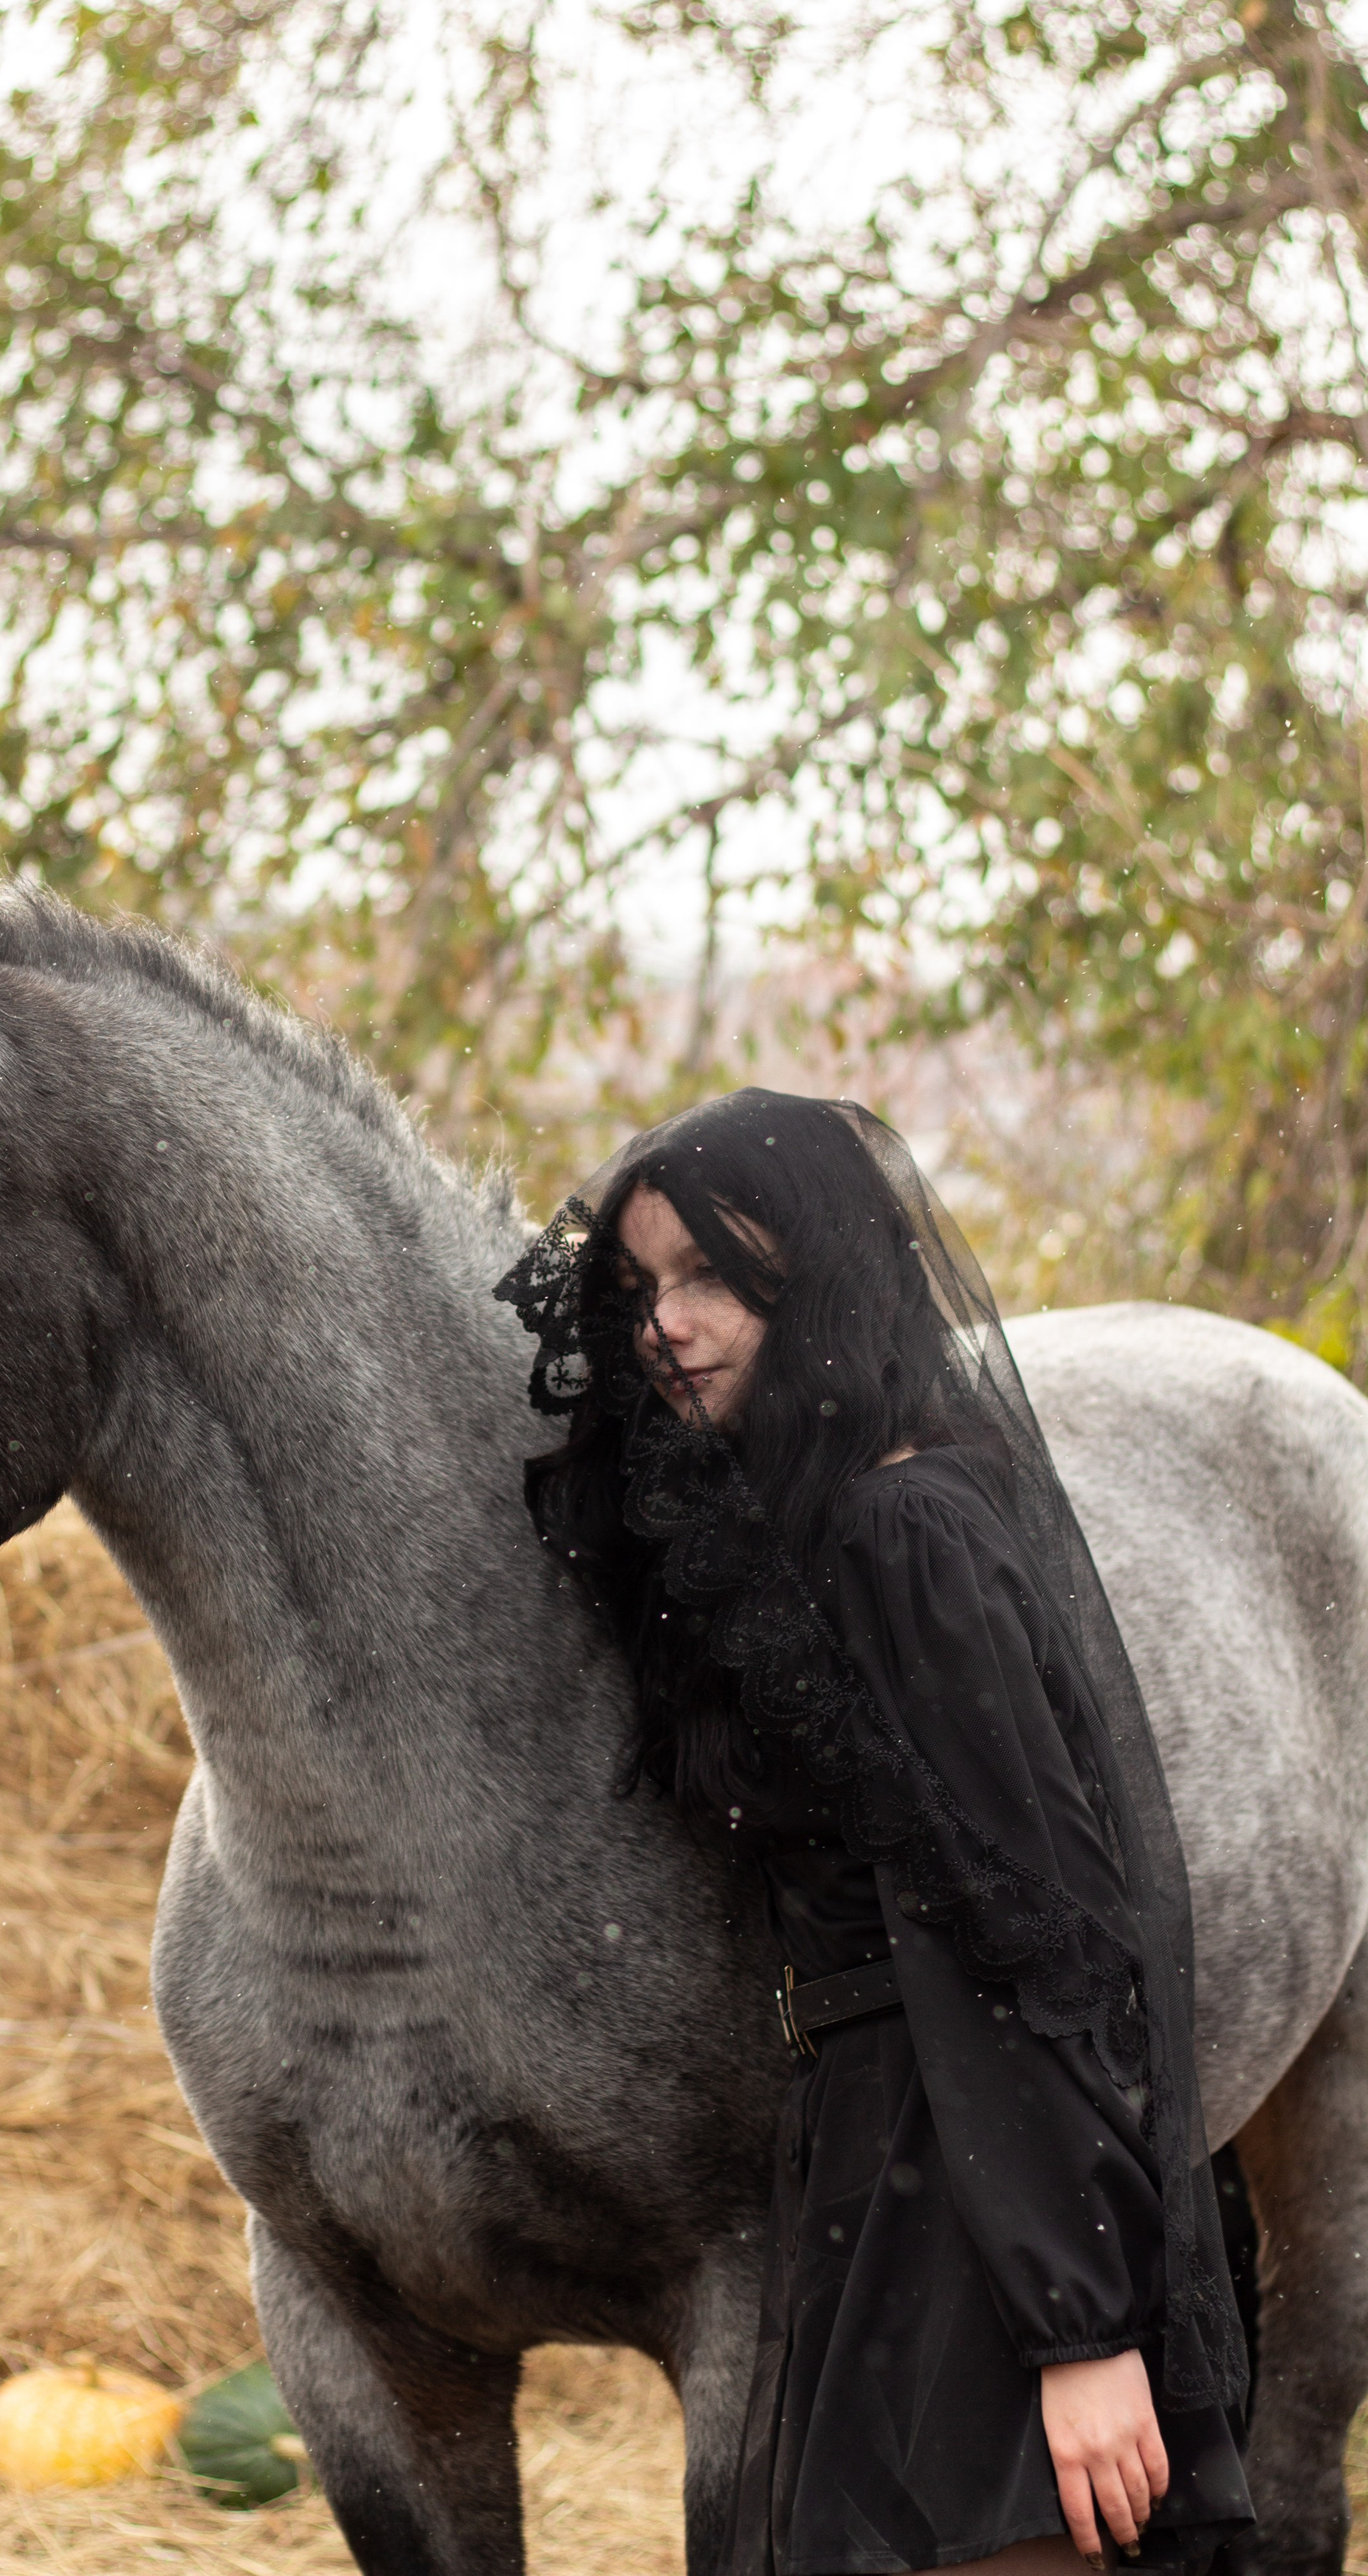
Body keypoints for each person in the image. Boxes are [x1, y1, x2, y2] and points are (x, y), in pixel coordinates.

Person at [495, 1091, 1251, 2576]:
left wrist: (1080, 2327)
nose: (666, 1324)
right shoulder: (829, 1523)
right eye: (644, 1285)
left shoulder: (905, 1535)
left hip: (973, 2197)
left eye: (713, 1276)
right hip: (884, 2164)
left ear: (823, 1271)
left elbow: (1032, 1938)